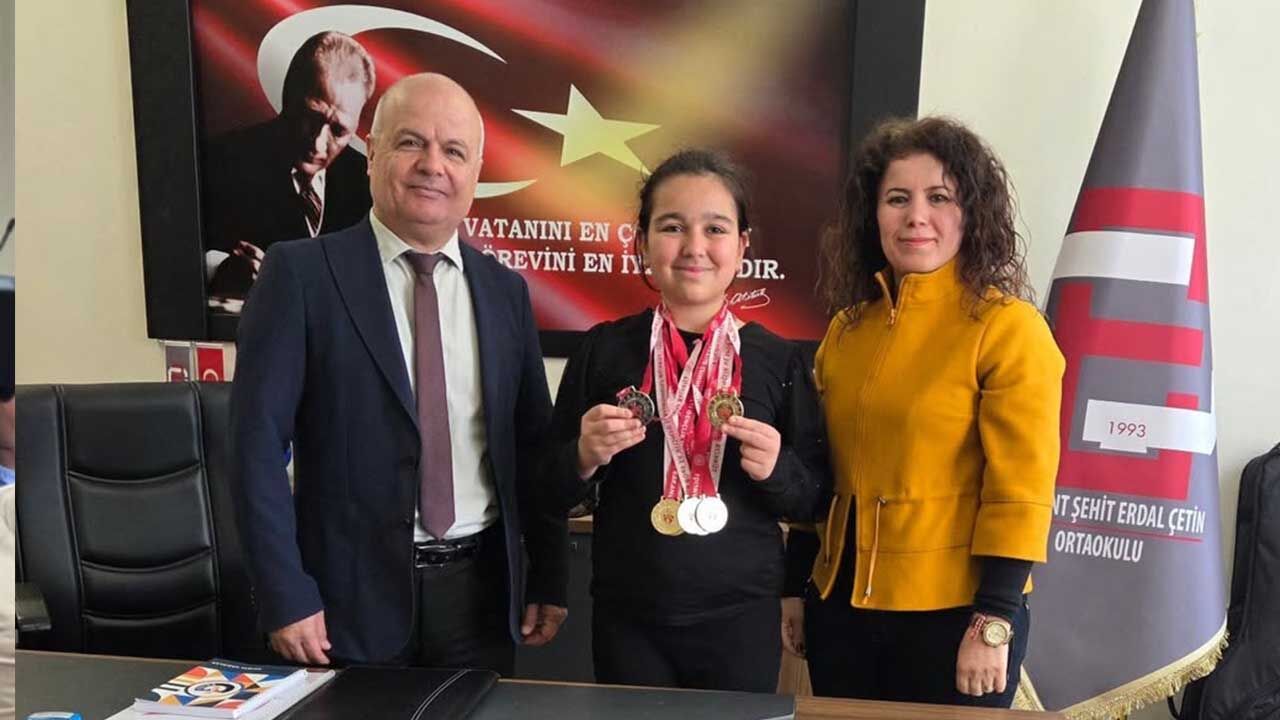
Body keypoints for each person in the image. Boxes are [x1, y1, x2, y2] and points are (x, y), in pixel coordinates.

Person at [231, 73, 568, 674]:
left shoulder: (505, 293)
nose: (432, 165)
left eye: (454, 151)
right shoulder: (300, 275)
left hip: (481, 602)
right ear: (372, 154)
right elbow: (254, 447)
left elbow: (533, 448)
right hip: (342, 607)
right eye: (411, 142)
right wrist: (284, 593)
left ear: (475, 173)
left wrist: (549, 575)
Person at [796, 116, 1065, 708]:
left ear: (971, 213)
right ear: (874, 216)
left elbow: (1019, 492)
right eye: (897, 198)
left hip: (958, 620)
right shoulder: (845, 332)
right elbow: (819, 475)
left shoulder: (1008, 329)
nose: (916, 216)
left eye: (938, 197)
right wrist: (797, 589)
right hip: (839, 613)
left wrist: (994, 620)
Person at [541, 149, 830, 692]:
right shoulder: (603, 351)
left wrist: (777, 470)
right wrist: (582, 456)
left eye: (715, 229)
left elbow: (815, 498)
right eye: (672, 227)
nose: (695, 247)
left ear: (742, 246)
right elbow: (548, 490)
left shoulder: (779, 361)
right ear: (642, 243)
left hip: (741, 619)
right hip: (629, 616)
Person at [203, 31, 375, 301]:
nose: (318, 144)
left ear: (356, 125)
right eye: (310, 117)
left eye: (338, 130)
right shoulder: (220, 161)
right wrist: (220, 270)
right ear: (287, 97)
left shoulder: (369, 182)